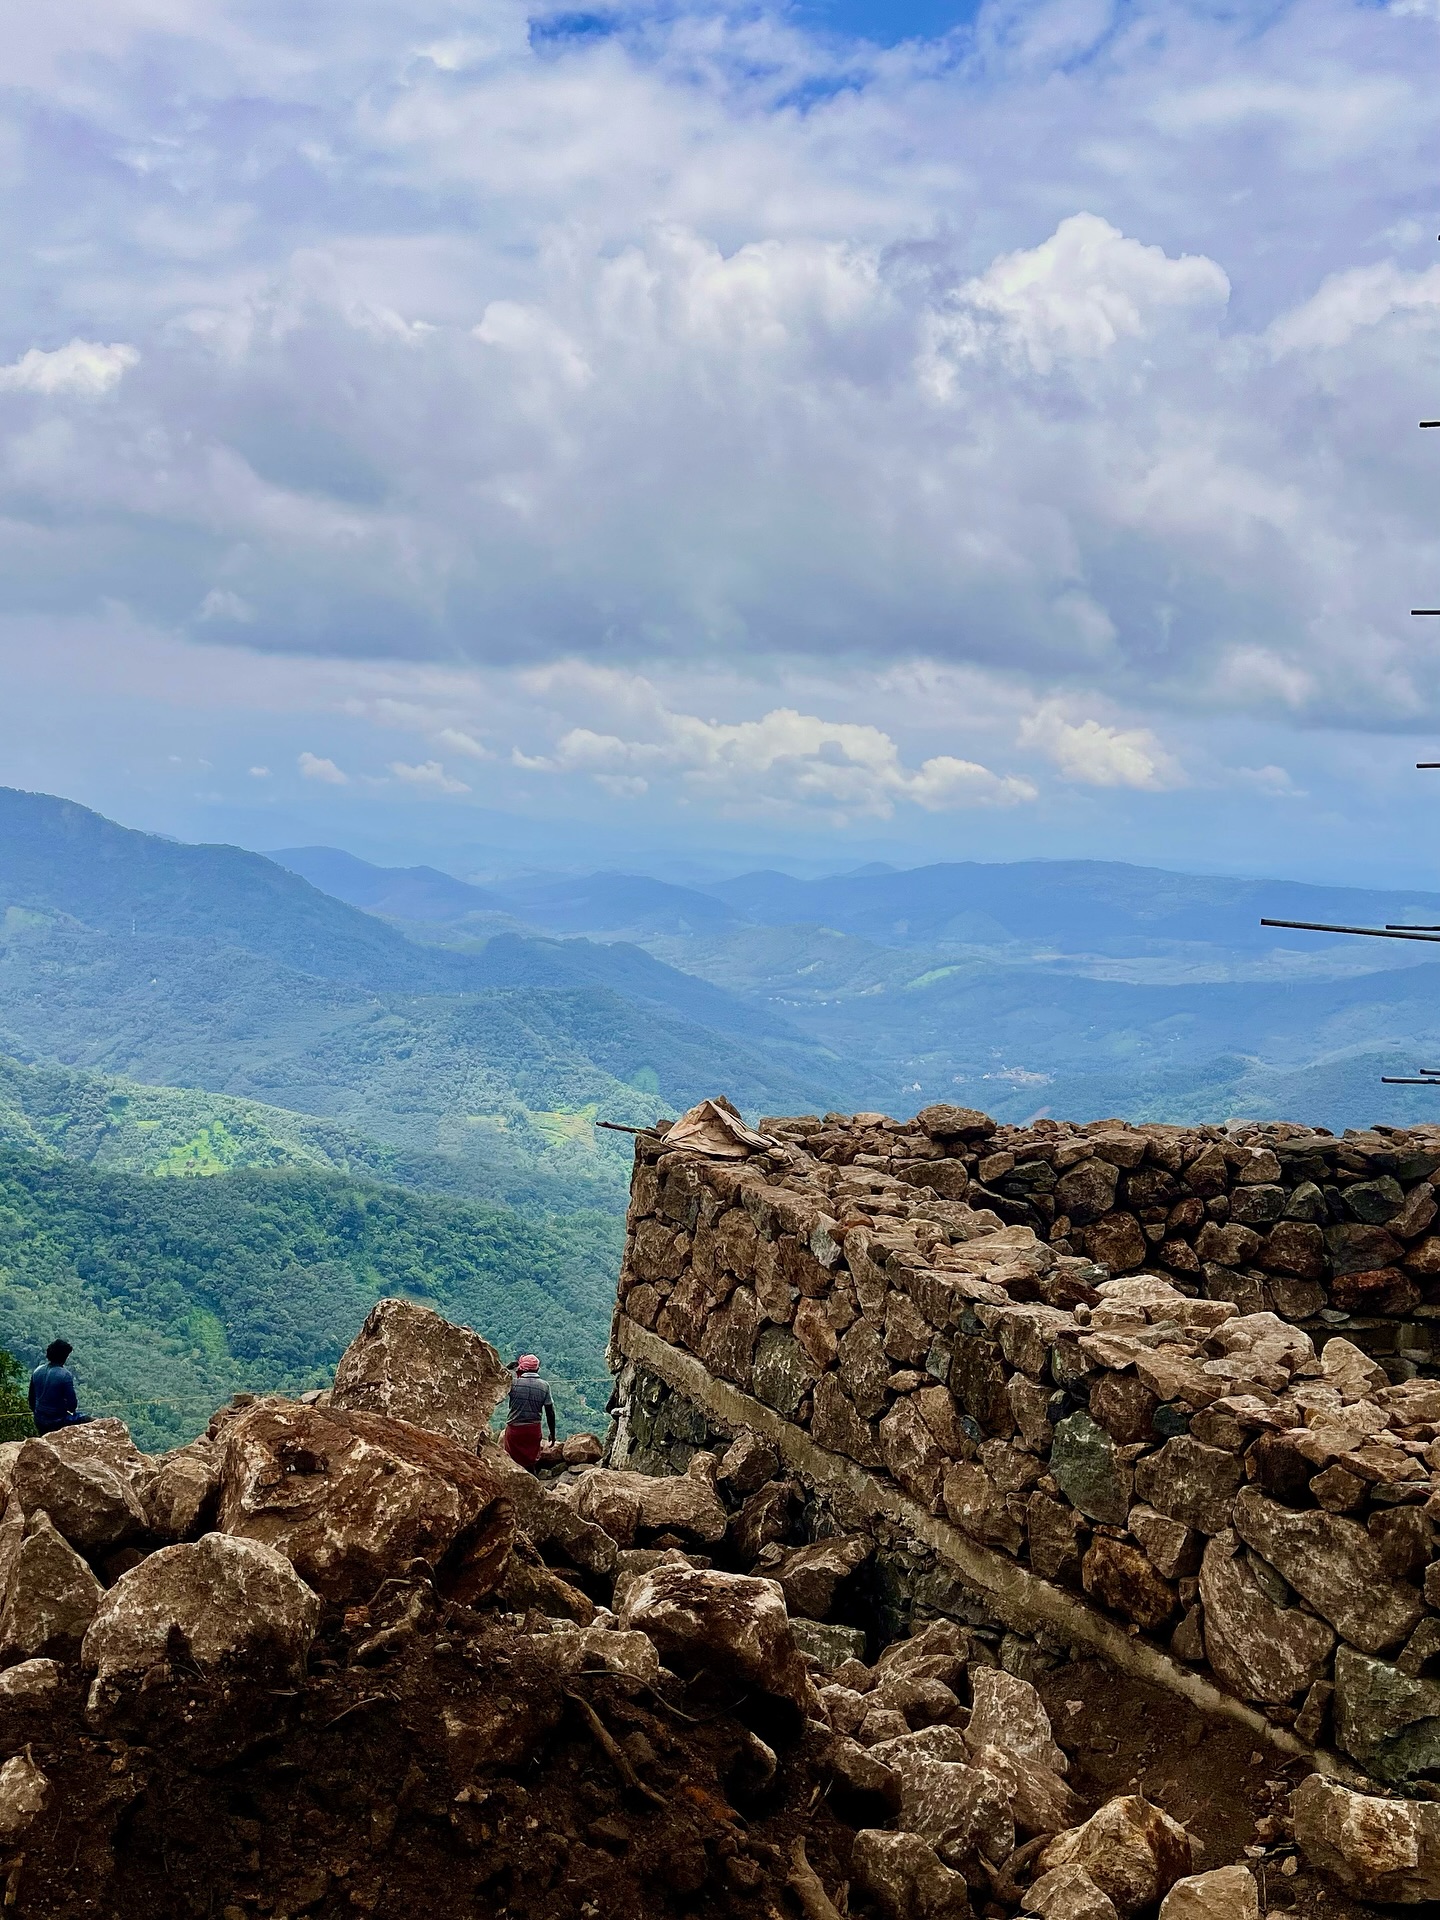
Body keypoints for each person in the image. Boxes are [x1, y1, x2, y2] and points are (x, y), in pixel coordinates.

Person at [501, 1353, 555, 1470]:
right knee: (530, 1464)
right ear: (538, 1369)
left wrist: (507, 1368)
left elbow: (498, 1379)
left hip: (514, 1429)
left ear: (521, 1367)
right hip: (533, 1430)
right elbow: (550, 1413)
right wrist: (552, 1434)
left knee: (511, 1463)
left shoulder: (513, 1383)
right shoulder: (544, 1386)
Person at [28, 1340, 91, 1437]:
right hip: (57, 1421)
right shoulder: (65, 1375)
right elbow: (72, 1406)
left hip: (39, 1421)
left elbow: (31, 1400)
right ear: (64, 1356)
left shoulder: (37, 1371)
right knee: (89, 1420)